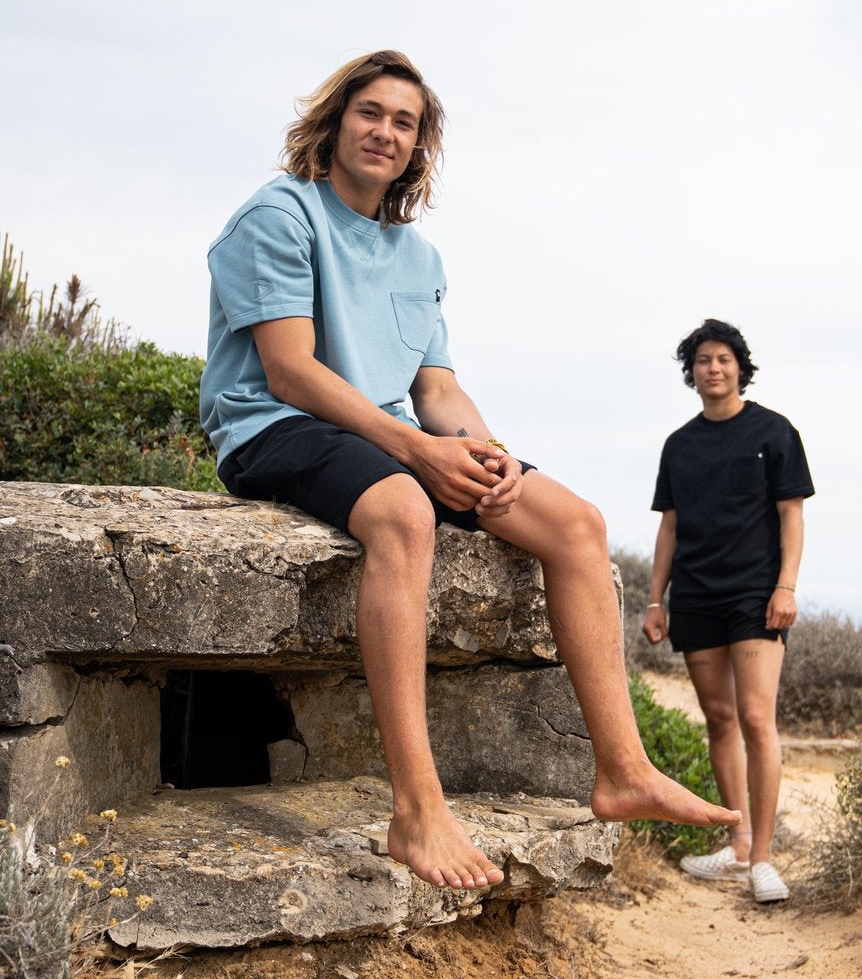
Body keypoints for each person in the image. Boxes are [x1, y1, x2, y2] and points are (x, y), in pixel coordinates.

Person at [199, 49, 738, 891]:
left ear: (418, 146)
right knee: (405, 512)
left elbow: (437, 390)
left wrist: (488, 455)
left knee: (576, 522)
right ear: (335, 122)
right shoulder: (279, 214)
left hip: (382, 437)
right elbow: (290, 371)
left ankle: (624, 769)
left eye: (404, 122)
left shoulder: (418, 258)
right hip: (274, 427)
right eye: (370, 112)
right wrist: (417, 450)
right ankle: (417, 809)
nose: (385, 131)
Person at [643, 319, 814, 904]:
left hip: (755, 595)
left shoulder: (774, 431)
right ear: (691, 373)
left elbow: (792, 516)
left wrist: (785, 587)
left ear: (740, 367)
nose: (713, 368)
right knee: (719, 719)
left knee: (756, 718)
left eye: (723, 359)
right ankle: (738, 847)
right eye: (702, 361)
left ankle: (763, 860)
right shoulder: (679, 445)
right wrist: (656, 599)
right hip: (695, 595)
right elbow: (669, 527)